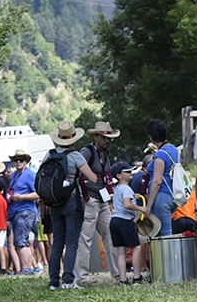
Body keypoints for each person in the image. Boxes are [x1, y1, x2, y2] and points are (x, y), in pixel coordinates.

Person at [44, 123, 96, 290]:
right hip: (71, 202)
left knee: (57, 243)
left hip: (53, 203)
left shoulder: (49, 155)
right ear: (73, 140)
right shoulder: (75, 156)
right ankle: (68, 280)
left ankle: (53, 282)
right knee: (72, 242)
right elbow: (93, 178)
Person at [78, 121, 125, 284]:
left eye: (109, 138)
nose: (108, 141)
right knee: (85, 239)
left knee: (111, 235)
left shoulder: (104, 153)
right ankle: (82, 277)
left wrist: (110, 197)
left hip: (102, 201)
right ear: (96, 137)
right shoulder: (87, 152)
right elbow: (77, 172)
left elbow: (106, 176)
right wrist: (85, 196)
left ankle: (118, 272)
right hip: (90, 200)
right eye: (104, 137)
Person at [143, 120, 181, 235]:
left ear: (151, 137)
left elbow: (157, 181)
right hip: (173, 195)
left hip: (162, 197)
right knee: (167, 231)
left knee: (164, 234)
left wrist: (148, 206)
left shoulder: (160, 154)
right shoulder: (175, 150)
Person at [6, 150, 40, 274]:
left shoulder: (30, 174)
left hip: (25, 211)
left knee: (21, 242)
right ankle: (27, 268)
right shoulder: (15, 174)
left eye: (21, 160)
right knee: (20, 242)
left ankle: (26, 269)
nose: (18, 162)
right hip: (16, 212)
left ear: (26, 162)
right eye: (16, 160)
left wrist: (21, 197)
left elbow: (38, 194)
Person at [109, 162, 143, 282]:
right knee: (136, 248)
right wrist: (141, 208)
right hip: (125, 221)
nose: (130, 173)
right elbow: (127, 204)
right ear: (119, 176)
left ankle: (123, 279)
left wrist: (134, 196)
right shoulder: (126, 188)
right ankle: (137, 276)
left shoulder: (117, 188)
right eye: (127, 172)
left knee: (121, 251)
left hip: (114, 220)